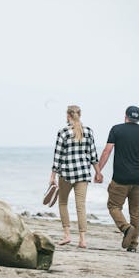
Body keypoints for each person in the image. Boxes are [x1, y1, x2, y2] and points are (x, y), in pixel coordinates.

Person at [96, 106, 139, 252]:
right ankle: (133, 245)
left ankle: (126, 228)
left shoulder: (116, 130)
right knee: (135, 213)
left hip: (120, 178)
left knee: (113, 206)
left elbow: (107, 151)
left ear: (125, 116)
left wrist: (98, 170)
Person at [49, 105, 102, 248]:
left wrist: (53, 176)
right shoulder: (88, 131)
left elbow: (57, 156)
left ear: (68, 116)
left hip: (66, 174)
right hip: (83, 173)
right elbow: (93, 155)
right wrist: (98, 172)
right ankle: (82, 240)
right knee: (81, 206)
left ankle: (67, 235)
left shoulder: (63, 132)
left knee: (63, 203)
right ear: (80, 115)